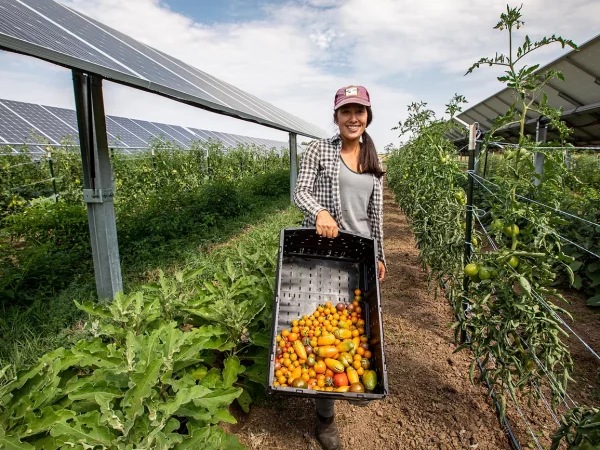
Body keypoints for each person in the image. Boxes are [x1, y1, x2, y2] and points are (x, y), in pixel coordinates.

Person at [293, 85, 386, 450]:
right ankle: (325, 420)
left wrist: (380, 256)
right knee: (327, 333)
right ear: (336, 117)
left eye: (359, 111)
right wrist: (319, 211)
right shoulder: (320, 149)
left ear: (367, 117)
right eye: (346, 111)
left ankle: (349, 384)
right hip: (327, 255)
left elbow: (375, 218)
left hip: (360, 255)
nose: (353, 118)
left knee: (356, 330)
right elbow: (300, 191)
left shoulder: (374, 162)